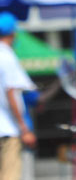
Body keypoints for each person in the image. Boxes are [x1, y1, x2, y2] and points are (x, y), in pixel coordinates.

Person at [0, 12, 36, 180]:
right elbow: (11, 93)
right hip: (7, 129)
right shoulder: (7, 57)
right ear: (13, 33)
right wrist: (24, 128)